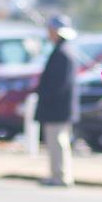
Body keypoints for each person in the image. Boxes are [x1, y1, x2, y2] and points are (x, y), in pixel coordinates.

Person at [35, 15, 79, 187]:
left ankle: (60, 176)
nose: (48, 33)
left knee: (58, 142)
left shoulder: (63, 53)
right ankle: (57, 174)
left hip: (58, 108)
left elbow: (58, 84)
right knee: (56, 142)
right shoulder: (64, 50)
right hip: (59, 107)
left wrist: (46, 98)